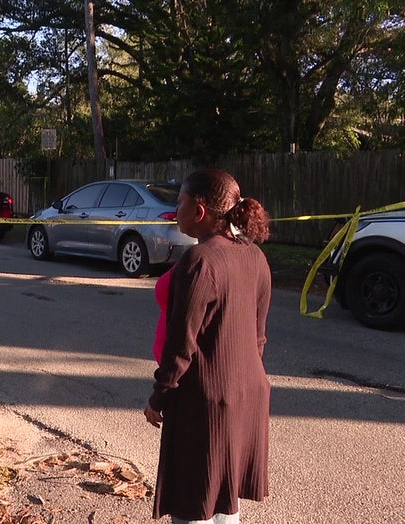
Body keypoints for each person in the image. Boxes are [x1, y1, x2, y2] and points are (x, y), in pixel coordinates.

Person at [143, 168, 272, 523]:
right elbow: (258, 338)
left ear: (199, 211)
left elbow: (181, 344)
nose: (176, 210)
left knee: (193, 502)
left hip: (205, 403)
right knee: (224, 502)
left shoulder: (199, 262)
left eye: (180, 202)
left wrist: (159, 396)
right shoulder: (255, 257)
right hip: (246, 396)